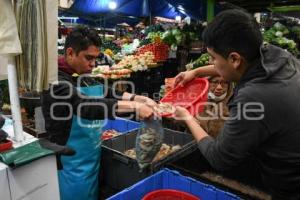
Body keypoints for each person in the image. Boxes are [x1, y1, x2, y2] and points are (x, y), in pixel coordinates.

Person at [173, 9, 300, 199]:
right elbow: (229, 67)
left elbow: (219, 158)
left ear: (234, 59)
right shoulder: (279, 57)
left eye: (213, 58)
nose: (212, 63)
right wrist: (198, 72)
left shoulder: (254, 97)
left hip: (290, 183)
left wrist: (188, 118)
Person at [41, 26, 156, 200]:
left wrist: (137, 98)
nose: (93, 64)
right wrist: (134, 108)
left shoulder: (80, 73)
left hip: (90, 156)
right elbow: (84, 105)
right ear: (70, 53)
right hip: (69, 162)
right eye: (89, 58)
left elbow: (104, 91)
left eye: (95, 58)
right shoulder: (55, 80)